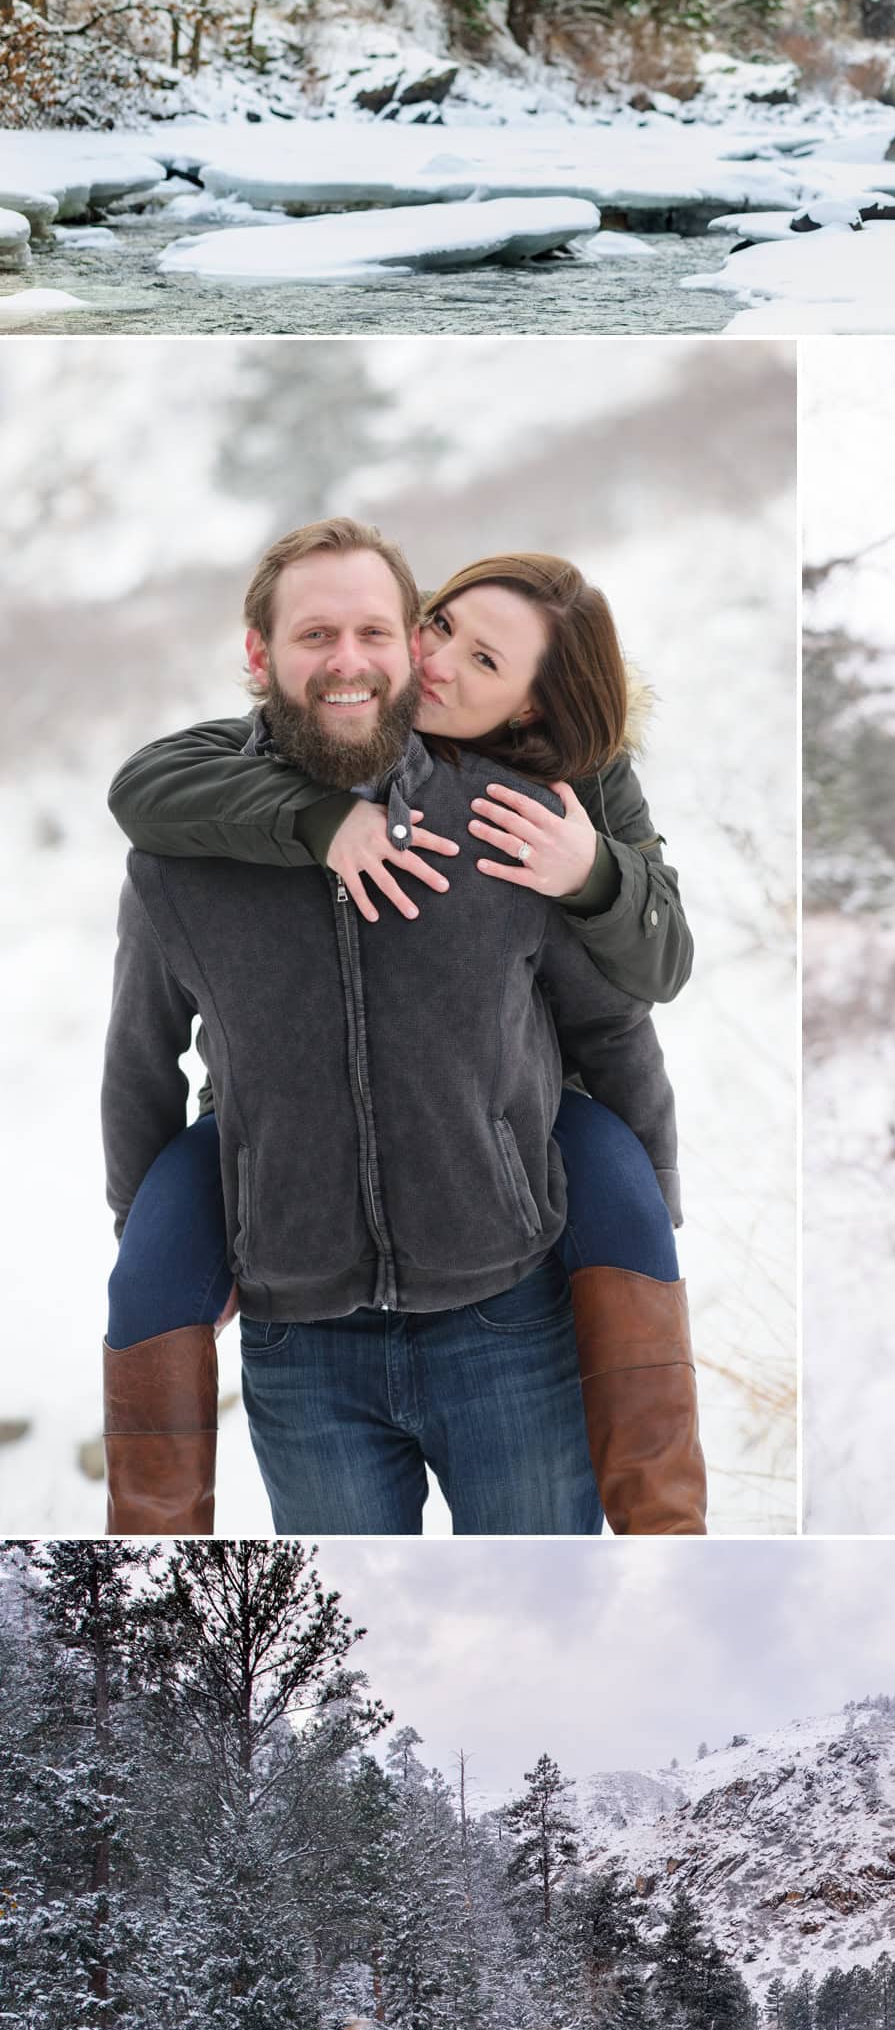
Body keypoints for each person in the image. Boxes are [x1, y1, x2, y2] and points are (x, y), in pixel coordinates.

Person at [101, 519, 690, 1538]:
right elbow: (138, 1061)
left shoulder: (530, 817)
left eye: (376, 629)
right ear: (259, 653)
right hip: (302, 1344)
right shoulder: (183, 849)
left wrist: (648, 1201)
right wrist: (172, 1239)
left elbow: (619, 1017)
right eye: (315, 633)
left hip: (506, 1319)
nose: (363, 659)